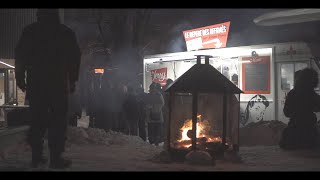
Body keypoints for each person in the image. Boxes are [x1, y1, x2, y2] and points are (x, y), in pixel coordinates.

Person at [15, 9, 81, 169]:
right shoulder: (65, 33)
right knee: (58, 121)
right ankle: (55, 157)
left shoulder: (30, 31)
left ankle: (36, 156)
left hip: (36, 83)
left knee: (37, 120)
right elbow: (75, 58)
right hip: (57, 84)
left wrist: (20, 79)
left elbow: (20, 56)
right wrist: (72, 80)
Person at [279, 68, 320, 150]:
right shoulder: (312, 94)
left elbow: (286, 113)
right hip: (309, 132)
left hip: (293, 132)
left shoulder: (292, 93)